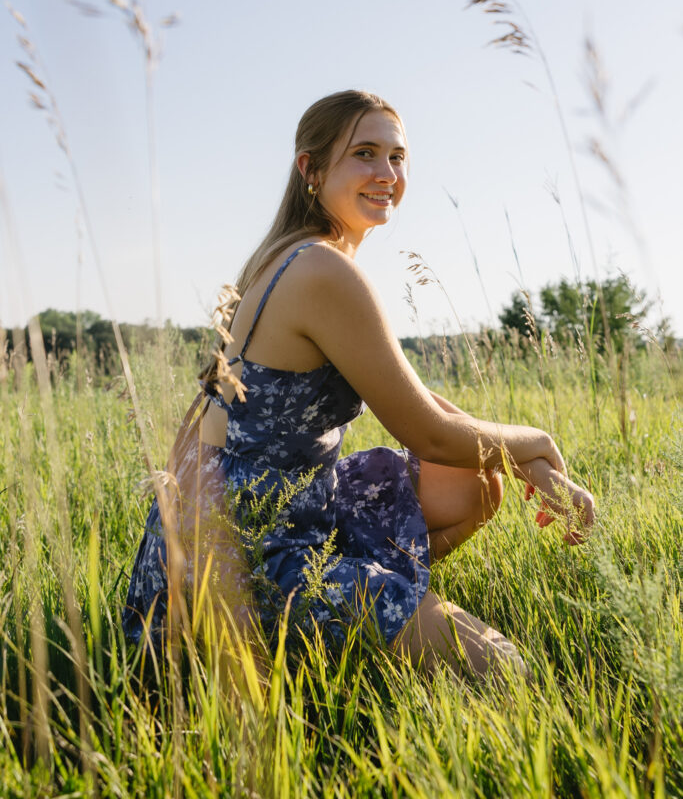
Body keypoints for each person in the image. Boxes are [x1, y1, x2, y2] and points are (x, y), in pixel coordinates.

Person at [123, 89, 595, 678]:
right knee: (511, 672)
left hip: (264, 514)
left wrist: (523, 463)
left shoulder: (292, 256)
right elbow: (433, 435)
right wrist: (539, 442)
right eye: (365, 154)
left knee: (473, 486)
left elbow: (427, 408)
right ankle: (342, 630)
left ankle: (380, 611)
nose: (386, 174)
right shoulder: (324, 270)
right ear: (311, 170)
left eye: (397, 158)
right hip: (249, 558)